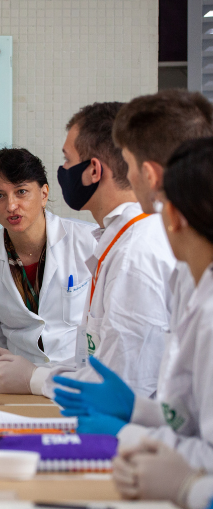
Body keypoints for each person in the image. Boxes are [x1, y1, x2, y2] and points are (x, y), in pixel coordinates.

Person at [0, 102, 175, 397]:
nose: (63, 171)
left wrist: (34, 378)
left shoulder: (134, 254)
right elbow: (102, 362)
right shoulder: (117, 241)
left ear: (93, 170)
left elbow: (126, 386)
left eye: (67, 160)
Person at [54, 138, 213, 467]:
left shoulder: (141, 255)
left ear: (173, 215)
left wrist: (127, 434)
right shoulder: (196, 284)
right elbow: (192, 420)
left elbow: (207, 455)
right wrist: (138, 411)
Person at [112, 89, 213, 399]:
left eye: (127, 163)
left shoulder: (143, 246)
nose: (127, 177)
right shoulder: (188, 267)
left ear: (149, 174)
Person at [0, 148, 96, 366]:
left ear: (44, 194)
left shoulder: (89, 242)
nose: (11, 206)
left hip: (81, 378)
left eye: (21, 192)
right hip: (18, 381)